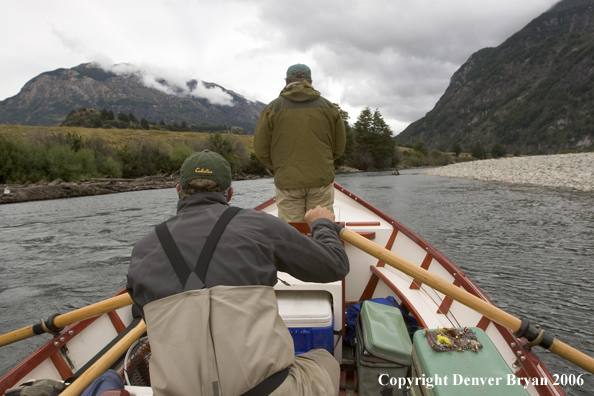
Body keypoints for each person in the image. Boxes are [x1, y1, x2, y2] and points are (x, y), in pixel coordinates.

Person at [126, 150, 349, 396]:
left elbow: (144, 316)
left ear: (178, 189)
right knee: (323, 359)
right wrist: (322, 224)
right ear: (229, 193)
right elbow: (335, 265)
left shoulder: (143, 250)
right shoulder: (258, 225)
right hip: (267, 391)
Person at [254, 63, 346, 222]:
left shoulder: (272, 108)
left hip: (287, 180)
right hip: (320, 178)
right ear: (310, 81)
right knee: (321, 227)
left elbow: (261, 150)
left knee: (292, 234)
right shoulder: (329, 108)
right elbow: (339, 148)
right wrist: (323, 162)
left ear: (286, 81)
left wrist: (281, 166)